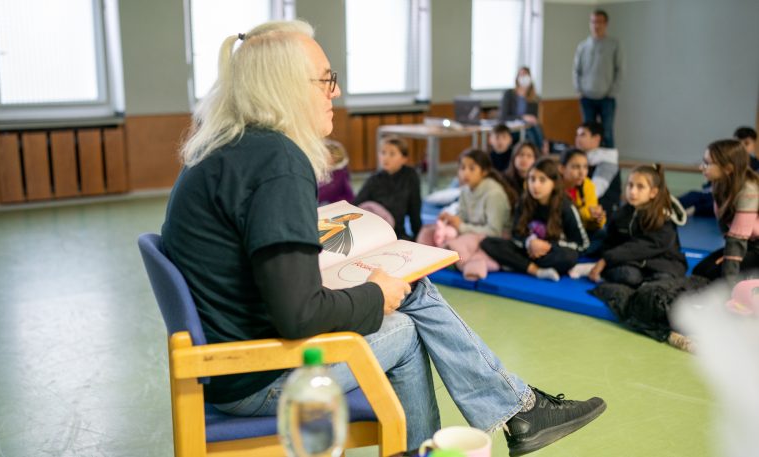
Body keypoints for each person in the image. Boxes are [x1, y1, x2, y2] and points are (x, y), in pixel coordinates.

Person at [160, 19, 606, 455]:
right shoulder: (278, 160)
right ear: (287, 87)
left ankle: (517, 410)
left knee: (409, 288)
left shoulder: (226, 146)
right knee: (407, 326)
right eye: (325, 80)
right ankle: (513, 413)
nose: (335, 92)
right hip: (258, 376)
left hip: (230, 359)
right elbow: (298, 315)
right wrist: (375, 293)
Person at [481, 157, 590, 282]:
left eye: (542, 180)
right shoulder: (524, 202)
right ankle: (536, 271)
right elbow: (516, 234)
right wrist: (529, 242)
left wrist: (548, 246)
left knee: (569, 257)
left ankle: (519, 265)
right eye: (532, 179)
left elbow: (583, 245)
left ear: (554, 183)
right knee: (488, 243)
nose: (535, 185)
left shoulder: (566, 207)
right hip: (528, 251)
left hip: (551, 252)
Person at [417, 149, 517, 280]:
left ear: (484, 171)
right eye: (462, 168)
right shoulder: (465, 190)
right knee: (427, 232)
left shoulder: (494, 194)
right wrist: (450, 220)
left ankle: (462, 263)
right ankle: (425, 260)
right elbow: (463, 216)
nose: (465, 173)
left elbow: (494, 231)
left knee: (461, 242)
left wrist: (461, 227)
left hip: (492, 239)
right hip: (471, 231)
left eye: (472, 168)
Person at [588, 164, 687, 286]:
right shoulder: (620, 214)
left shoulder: (663, 217)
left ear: (653, 192)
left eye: (640, 187)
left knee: (663, 280)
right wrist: (607, 258)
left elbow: (646, 245)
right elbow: (611, 242)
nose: (633, 191)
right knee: (628, 276)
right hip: (631, 262)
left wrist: (606, 259)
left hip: (662, 262)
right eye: (630, 185)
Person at [692, 139, 759, 284]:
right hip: (748, 245)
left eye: (707, 163)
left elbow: (736, 241)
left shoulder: (748, 191)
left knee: (719, 279)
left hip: (755, 246)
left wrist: (728, 286)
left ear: (728, 168)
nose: (701, 167)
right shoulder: (719, 184)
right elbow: (726, 227)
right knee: (700, 271)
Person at [354, 136, 422, 240]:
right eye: (383, 152)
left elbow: (415, 209)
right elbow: (356, 205)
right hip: (374, 232)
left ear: (404, 159)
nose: (385, 157)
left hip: (397, 233)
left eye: (392, 153)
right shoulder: (374, 179)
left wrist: (418, 235)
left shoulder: (410, 176)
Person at [680, 126, 758, 217]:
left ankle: (695, 209)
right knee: (693, 195)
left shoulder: (749, 190)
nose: (741, 147)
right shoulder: (718, 183)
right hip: (715, 194)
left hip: (733, 199)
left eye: (746, 143)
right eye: (737, 142)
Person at [572, 9, 622, 148]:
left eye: (599, 22)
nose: (596, 25)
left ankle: (612, 167)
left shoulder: (613, 44)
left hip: (607, 97)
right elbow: (576, 70)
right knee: (588, 134)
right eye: (593, 22)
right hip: (587, 97)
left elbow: (619, 70)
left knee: (607, 133)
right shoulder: (583, 46)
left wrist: (612, 91)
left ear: (606, 24)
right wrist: (579, 90)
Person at [575, 121, 621, 215]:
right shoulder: (584, 158)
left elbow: (595, 192)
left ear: (596, 138)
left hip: (603, 214)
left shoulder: (607, 162)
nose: (577, 138)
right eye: (577, 135)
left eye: (583, 135)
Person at [561, 149, 606, 233]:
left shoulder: (587, 184)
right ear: (562, 169)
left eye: (585, 167)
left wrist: (597, 218)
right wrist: (587, 212)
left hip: (581, 230)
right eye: (576, 167)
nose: (582, 173)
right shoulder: (553, 186)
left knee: (602, 231)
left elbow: (589, 222)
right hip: (561, 230)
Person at [499, 67, 544, 149]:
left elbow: (535, 119)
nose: (523, 77)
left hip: (529, 127)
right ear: (517, 77)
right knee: (529, 135)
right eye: (521, 75)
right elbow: (503, 117)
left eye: (526, 75)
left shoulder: (534, 98)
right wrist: (523, 117)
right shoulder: (509, 94)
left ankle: (539, 152)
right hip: (513, 129)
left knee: (535, 130)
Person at [317, 138, 354, 205]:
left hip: (335, 203)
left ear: (334, 157)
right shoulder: (322, 169)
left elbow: (330, 190)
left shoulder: (340, 172)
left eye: (324, 155)